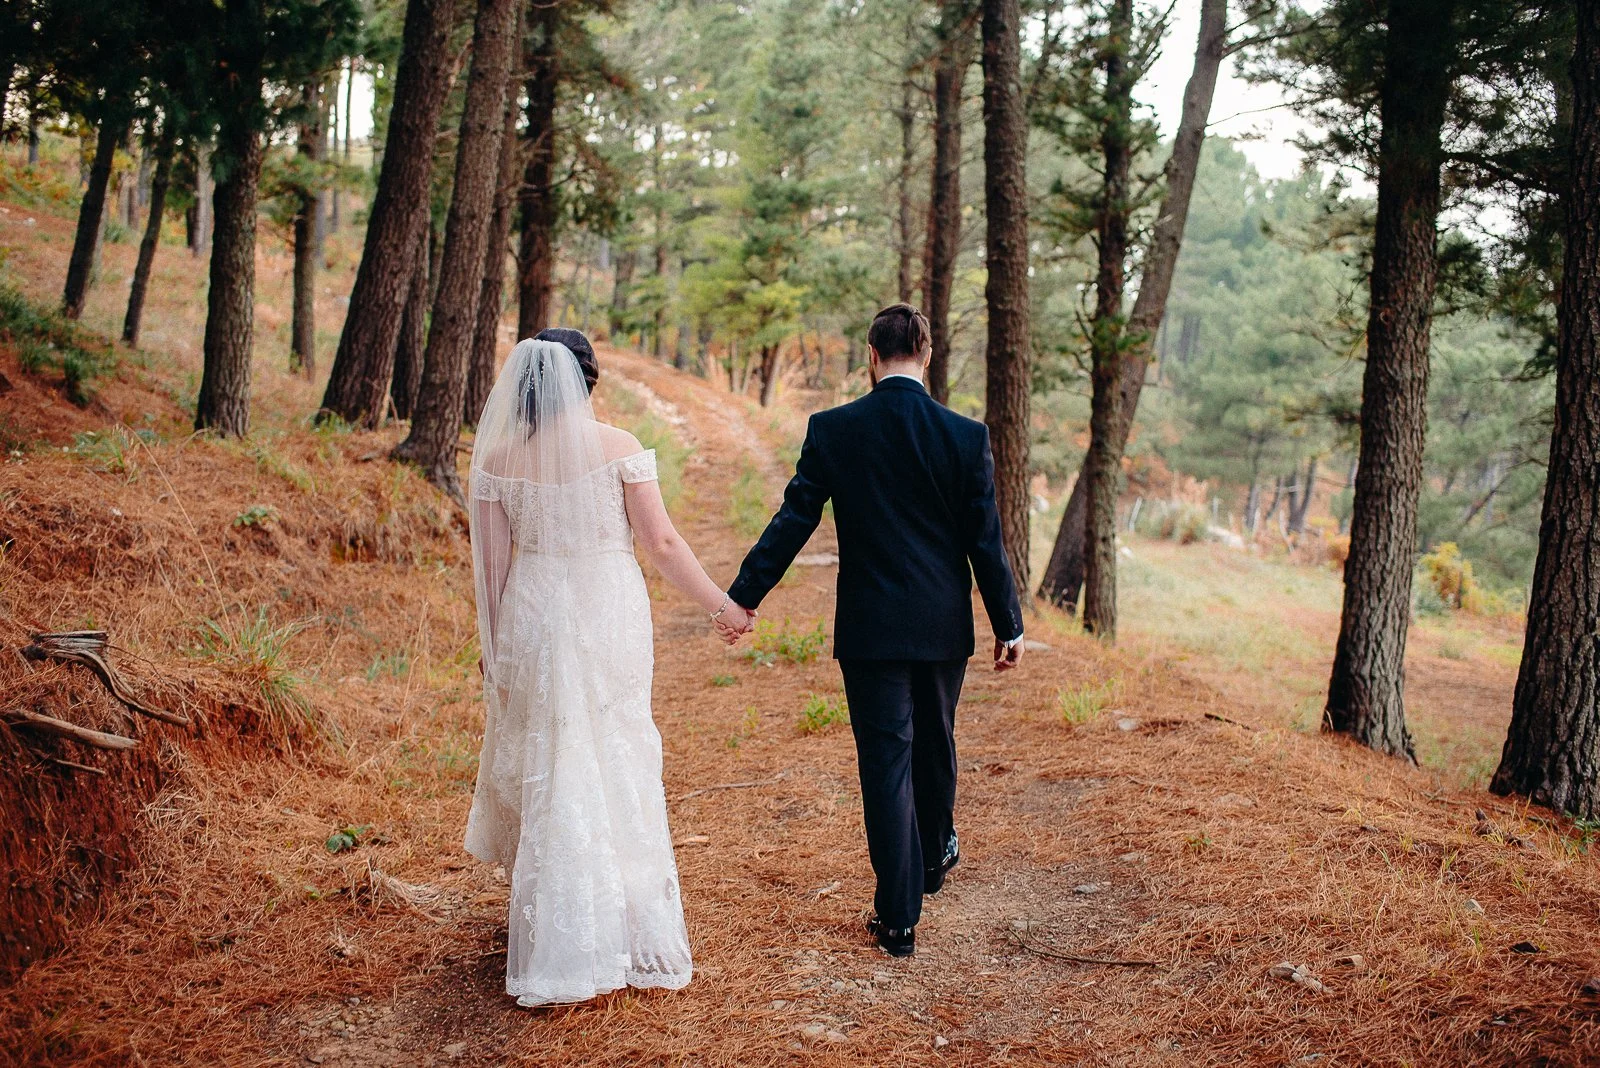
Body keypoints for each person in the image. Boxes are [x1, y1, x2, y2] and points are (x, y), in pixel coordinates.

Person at [723, 303, 1025, 958]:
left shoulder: (835, 429)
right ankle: (937, 847)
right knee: (936, 740)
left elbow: (792, 522)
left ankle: (897, 919)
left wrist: (744, 597)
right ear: (928, 352)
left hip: (869, 627)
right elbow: (986, 542)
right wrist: (1009, 623)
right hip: (942, 626)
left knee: (887, 760)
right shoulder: (964, 435)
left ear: (871, 354)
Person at [463, 328, 751, 1005]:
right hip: (604, 607)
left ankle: (563, 930)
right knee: (615, 751)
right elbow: (662, 541)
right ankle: (625, 925)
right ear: (588, 380)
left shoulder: (499, 459)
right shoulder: (619, 448)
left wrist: (494, 648)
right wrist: (721, 607)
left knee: (555, 758)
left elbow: (491, 571)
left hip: (533, 611)